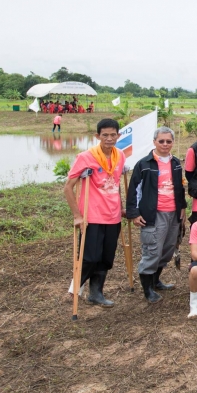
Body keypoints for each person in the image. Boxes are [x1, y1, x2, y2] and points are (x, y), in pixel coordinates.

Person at [63, 118, 127, 307]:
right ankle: (75, 288)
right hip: (92, 216)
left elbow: (116, 184)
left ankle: (96, 293)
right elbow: (68, 187)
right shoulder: (85, 157)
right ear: (97, 136)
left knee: (106, 258)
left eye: (113, 135)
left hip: (113, 216)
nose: (109, 138)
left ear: (118, 135)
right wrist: (77, 215)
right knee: (90, 257)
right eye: (105, 135)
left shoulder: (120, 155)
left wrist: (122, 207)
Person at [126, 126, 187, 303]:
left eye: (168, 141)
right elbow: (133, 190)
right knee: (152, 251)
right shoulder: (144, 164)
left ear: (173, 142)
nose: (165, 144)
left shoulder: (176, 163)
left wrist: (182, 208)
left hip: (173, 213)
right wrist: (134, 213)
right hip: (153, 214)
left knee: (167, 249)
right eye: (161, 141)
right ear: (154, 142)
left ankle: (156, 281)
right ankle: (147, 290)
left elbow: (180, 187)